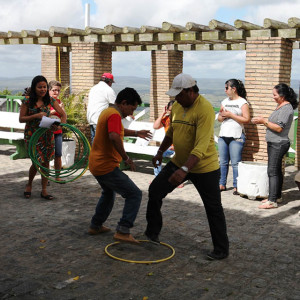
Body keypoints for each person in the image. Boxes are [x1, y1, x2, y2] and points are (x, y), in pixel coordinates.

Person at [145, 73, 229, 260]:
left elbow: (200, 146)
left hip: (204, 168)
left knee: (213, 208)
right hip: (178, 162)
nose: (177, 99)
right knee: (155, 191)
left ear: (191, 91)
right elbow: (171, 132)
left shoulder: (205, 109)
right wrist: (160, 152)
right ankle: (152, 233)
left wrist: (184, 170)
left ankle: (221, 250)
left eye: (180, 95)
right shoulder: (176, 106)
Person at [88, 87, 152, 244]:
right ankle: (123, 230)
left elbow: (118, 130)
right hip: (106, 166)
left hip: (96, 164)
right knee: (134, 194)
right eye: (132, 108)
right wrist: (126, 158)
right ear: (124, 103)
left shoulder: (108, 112)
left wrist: (137, 133)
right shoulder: (115, 115)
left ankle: (95, 225)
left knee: (108, 193)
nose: (131, 113)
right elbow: (114, 136)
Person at [251, 83, 298, 209]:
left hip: (279, 143)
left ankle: (272, 201)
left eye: (274, 95)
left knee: (272, 171)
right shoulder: (280, 106)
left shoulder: (286, 108)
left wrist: (263, 121)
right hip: (274, 143)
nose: (273, 97)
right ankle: (276, 196)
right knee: (276, 170)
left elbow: (278, 128)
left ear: (282, 96)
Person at [20, 75, 67, 200]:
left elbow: (63, 115)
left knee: (45, 162)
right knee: (36, 162)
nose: (42, 89)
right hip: (32, 135)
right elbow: (21, 119)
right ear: (34, 87)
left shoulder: (50, 101)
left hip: (46, 135)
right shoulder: (27, 101)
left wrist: (58, 126)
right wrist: (35, 116)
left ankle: (44, 190)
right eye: (40, 87)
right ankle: (29, 184)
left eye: (44, 87)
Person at [217, 79, 250, 195]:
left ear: (233, 89)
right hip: (223, 135)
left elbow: (246, 119)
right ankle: (222, 184)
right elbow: (219, 119)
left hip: (236, 136)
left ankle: (237, 186)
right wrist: (222, 116)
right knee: (223, 162)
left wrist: (231, 114)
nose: (225, 90)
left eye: (226, 88)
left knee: (236, 163)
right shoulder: (224, 101)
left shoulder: (242, 102)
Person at [87, 73, 116, 143]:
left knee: (94, 142)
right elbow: (116, 105)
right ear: (109, 82)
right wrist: (128, 114)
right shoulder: (108, 90)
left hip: (91, 119)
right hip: (99, 120)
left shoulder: (94, 88)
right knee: (100, 144)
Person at [153, 100, 175, 176]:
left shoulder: (182, 120)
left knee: (178, 159)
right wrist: (163, 113)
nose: (171, 112)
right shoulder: (166, 119)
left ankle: (176, 180)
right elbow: (155, 126)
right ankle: (157, 177)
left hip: (180, 148)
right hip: (169, 147)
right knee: (157, 155)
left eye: (174, 110)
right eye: (170, 110)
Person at [49, 80, 65, 181]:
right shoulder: (46, 102)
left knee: (58, 154)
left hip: (58, 132)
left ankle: (57, 176)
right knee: (46, 156)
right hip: (48, 132)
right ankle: (45, 177)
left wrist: (62, 110)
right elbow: (46, 114)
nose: (56, 92)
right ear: (49, 90)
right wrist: (57, 109)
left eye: (58, 90)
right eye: (54, 90)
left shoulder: (59, 102)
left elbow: (63, 115)